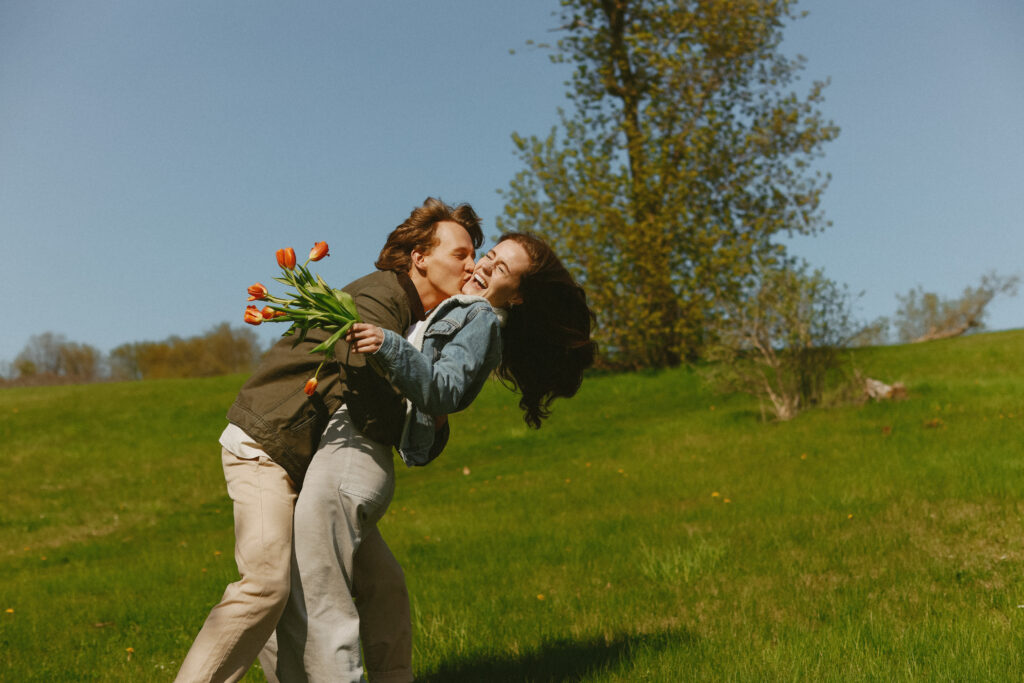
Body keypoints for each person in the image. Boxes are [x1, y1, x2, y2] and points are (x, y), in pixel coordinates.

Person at [174, 197, 483, 683]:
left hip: (313, 465)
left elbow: (408, 403)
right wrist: (426, 419)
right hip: (267, 448)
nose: (472, 265)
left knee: (384, 585)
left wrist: (428, 416)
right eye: (460, 253)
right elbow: (371, 396)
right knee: (265, 586)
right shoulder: (377, 299)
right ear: (420, 256)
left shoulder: (414, 323)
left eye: (474, 255)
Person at [271, 232, 595, 682]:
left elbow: (443, 390)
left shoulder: (480, 318)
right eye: (491, 256)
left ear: (517, 295)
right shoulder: (456, 307)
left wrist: (387, 344)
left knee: (315, 588)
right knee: (380, 587)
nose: (483, 266)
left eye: (500, 269)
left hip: (358, 456)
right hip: (353, 449)